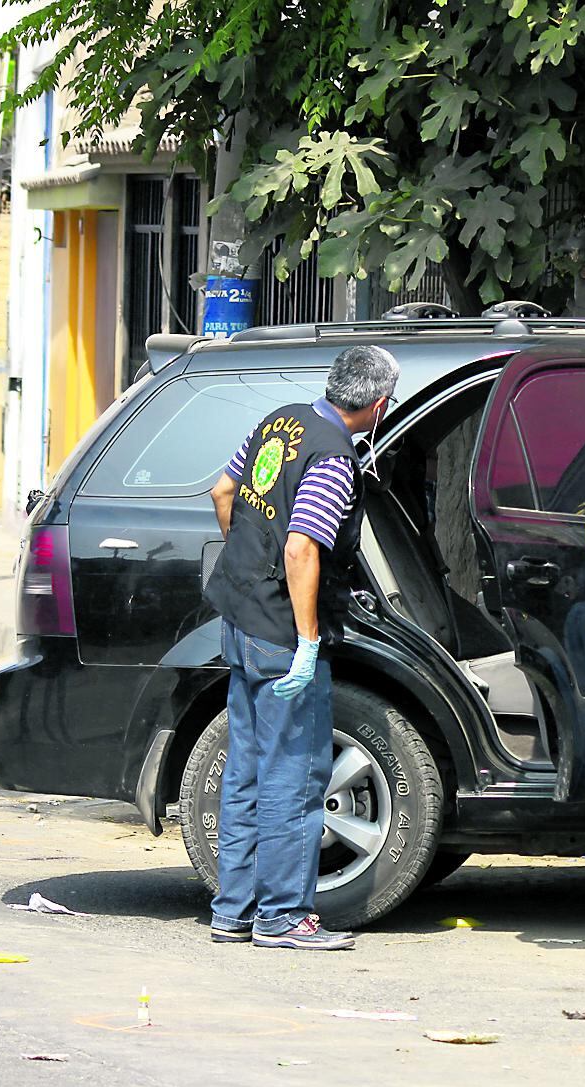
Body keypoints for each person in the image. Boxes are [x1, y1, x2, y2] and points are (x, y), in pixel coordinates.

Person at [200, 345, 399, 951]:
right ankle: (284, 916)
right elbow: (301, 547)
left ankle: (233, 910)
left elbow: (223, 491)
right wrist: (308, 638)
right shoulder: (334, 456)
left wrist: (247, 566)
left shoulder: (280, 420)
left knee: (246, 771)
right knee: (295, 775)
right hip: (280, 635)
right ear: (379, 405)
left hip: (239, 618)